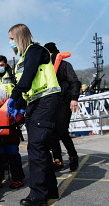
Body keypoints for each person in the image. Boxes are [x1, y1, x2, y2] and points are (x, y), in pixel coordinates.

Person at [7, 24, 61, 206]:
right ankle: (50, 190)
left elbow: (28, 76)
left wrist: (14, 97)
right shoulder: (22, 59)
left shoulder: (35, 51)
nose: (10, 43)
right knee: (41, 149)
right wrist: (19, 105)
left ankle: (38, 195)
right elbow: (28, 86)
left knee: (36, 147)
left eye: (12, 38)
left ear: (20, 36)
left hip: (46, 101)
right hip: (34, 103)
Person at [44, 42, 81, 171]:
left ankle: (73, 156)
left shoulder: (65, 66)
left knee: (61, 130)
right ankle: (58, 159)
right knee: (52, 132)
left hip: (64, 102)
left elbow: (75, 82)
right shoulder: (45, 68)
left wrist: (74, 99)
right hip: (50, 103)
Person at [0, 89, 25, 189]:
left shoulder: (11, 106)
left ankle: (18, 179)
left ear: (3, 98)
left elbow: (20, 118)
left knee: (14, 160)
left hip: (11, 139)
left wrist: (15, 116)